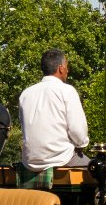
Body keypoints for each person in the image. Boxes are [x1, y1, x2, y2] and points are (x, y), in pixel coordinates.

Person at [17, 48, 89, 189]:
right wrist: (81, 145)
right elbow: (79, 133)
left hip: (30, 161)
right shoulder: (67, 90)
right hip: (61, 159)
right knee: (102, 172)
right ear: (61, 68)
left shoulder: (26, 94)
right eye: (67, 67)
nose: (68, 71)